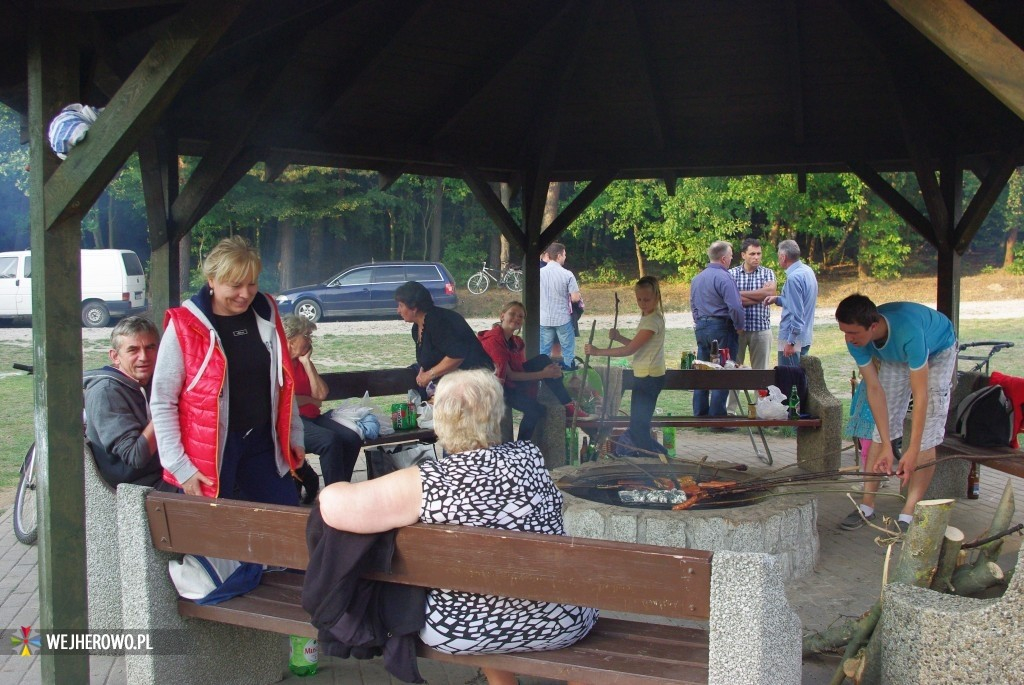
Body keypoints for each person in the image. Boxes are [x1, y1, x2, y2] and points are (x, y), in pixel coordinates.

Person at [318, 369, 597, 685]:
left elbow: (331, 504)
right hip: (561, 622)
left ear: (439, 420)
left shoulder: (428, 482)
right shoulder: (531, 458)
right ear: (497, 414)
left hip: (461, 629)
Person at [151, 235, 305, 504]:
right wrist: (180, 466)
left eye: (252, 283)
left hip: (262, 442)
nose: (245, 294)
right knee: (212, 539)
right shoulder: (184, 326)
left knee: (284, 524)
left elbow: (283, 382)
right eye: (235, 285)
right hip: (208, 452)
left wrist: (294, 434)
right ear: (211, 281)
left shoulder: (267, 313)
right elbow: (163, 400)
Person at [835, 295, 957, 533]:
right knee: (879, 435)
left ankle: (909, 512)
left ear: (873, 326)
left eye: (853, 333)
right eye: (844, 332)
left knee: (928, 433)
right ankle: (867, 506)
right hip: (895, 354)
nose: (848, 339)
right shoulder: (857, 339)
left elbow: (920, 396)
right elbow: (874, 389)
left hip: (936, 349)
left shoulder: (909, 332)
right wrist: (888, 446)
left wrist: (911, 449)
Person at [478, 301, 592, 442]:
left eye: (520, 316)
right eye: (512, 314)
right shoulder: (493, 340)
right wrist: (544, 374)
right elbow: (509, 375)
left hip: (511, 384)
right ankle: (520, 447)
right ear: (502, 316)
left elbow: (519, 369)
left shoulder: (516, 342)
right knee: (536, 410)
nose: (516, 318)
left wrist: (552, 370)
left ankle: (568, 405)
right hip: (496, 389)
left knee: (543, 360)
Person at [84, 315, 171, 489]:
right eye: (133, 350)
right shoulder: (106, 392)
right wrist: (167, 408)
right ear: (115, 356)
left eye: (150, 347)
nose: (144, 357)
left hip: (163, 470)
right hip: (134, 487)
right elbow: (135, 457)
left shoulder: (153, 381)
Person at [585, 276, 668, 456]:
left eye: (647, 299)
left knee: (639, 428)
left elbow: (630, 350)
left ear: (657, 298)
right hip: (646, 376)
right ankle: (658, 459)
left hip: (649, 378)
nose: (642, 303)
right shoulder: (648, 317)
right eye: (639, 299)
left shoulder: (652, 321)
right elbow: (639, 345)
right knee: (640, 426)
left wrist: (598, 352)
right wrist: (619, 337)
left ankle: (656, 460)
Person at [282, 315, 361, 489]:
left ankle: (342, 487)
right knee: (329, 440)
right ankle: (334, 494)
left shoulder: (301, 361)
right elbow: (285, 400)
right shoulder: (278, 363)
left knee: (352, 438)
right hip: (290, 422)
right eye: (306, 335)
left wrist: (307, 362)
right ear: (291, 339)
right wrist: (310, 400)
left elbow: (322, 394)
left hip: (312, 417)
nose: (310, 340)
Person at [394, 280, 493, 396]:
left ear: (414, 307)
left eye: (401, 305)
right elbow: (433, 357)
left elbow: (457, 355)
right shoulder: (416, 328)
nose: (398, 310)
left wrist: (429, 374)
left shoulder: (439, 321)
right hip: (455, 384)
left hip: (476, 385)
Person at [689, 241, 745, 417]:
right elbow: (735, 306)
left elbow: (693, 305)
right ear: (723, 258)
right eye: (730, 256)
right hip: (721, 327)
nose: (731, 259)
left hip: (702, 326)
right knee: (723, 370)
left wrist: (700, 322)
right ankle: (717, 415)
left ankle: (700, 412)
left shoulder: (697, 278)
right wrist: (739, 326)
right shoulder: (724, 277)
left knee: (702, 370)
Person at [764, 239, 818, 367]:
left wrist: (790, 342)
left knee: (789, 382)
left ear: (783, 257)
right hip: (805, 335)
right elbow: (799, 301)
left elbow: (797, 312)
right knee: (799, 381)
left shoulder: (794, 278)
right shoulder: (807, 271)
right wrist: (777, 299)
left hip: (792, 338)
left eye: (778, 256)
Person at [539, 242, 582, 370]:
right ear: (558, 256)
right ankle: (568, 375)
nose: (565, 257)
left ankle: (543, 377)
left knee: (543, 352)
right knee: (568, 352)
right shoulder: (567, 274)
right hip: (563, 319)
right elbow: (575, 298)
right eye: (564, 255)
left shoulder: (539, 273)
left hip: (544, 319)